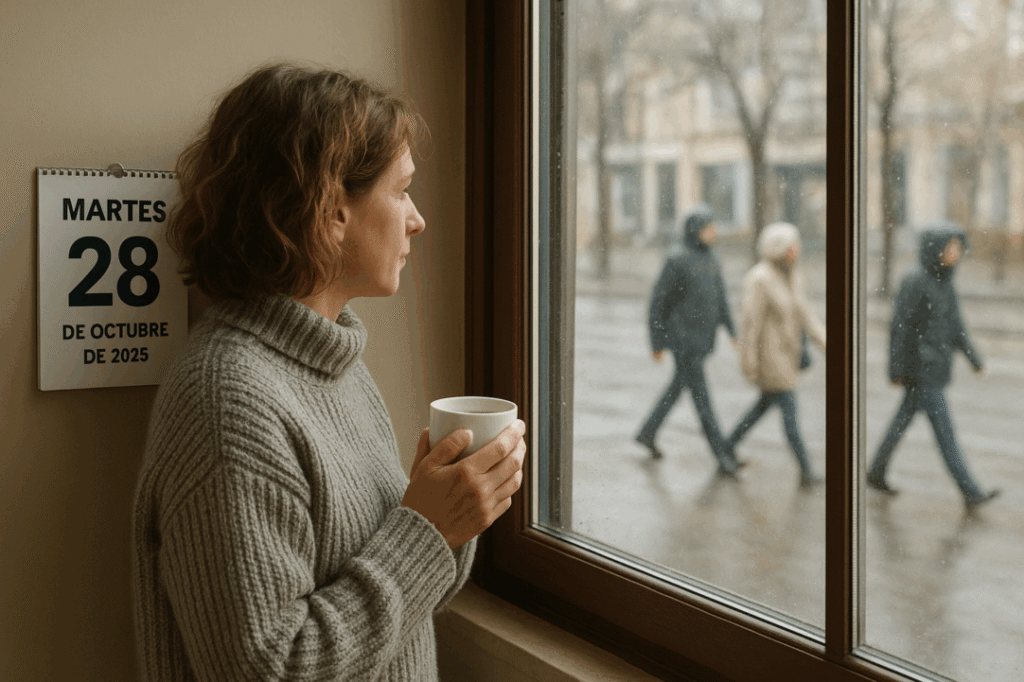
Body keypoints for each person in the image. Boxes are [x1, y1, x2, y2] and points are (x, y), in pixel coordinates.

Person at [131, 63, 527, 682]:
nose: (416, 220)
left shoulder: (334, 365)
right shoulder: (227, 402)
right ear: (329, 209)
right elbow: (271, 669)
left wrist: (451, 517)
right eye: (401, 192)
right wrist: (426, 530)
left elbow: (392, 612)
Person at [866, 223, 999, 511]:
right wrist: (896, 370)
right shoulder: (915, 282)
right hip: (921, 370)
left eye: (958, 248)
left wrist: (974, 359)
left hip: (935, 368)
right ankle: (971, 491)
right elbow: (900, 329)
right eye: (951, 248)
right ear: (935, 250)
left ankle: (875, 472)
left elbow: (956, 326)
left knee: (900, 423)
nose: (956, 253)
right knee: (945, 433)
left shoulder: (945, 282)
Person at [636, 208, 742, 475]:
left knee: (676, 390)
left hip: (703, 341)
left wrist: (732, 331)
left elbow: (720, 299)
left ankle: (647, 433)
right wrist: (657, 343)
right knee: (702, 400)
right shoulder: (677, 260)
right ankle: (723, 455)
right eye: (709, 228)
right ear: (695, 230)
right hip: (684, 343)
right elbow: (658, 304)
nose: (714, 232)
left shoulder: (712, 259)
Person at [728, 222, 826, 488]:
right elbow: (751, 324)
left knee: (762, 407)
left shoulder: (793, 275)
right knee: (789, 415)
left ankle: (727, 446)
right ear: (779, 249)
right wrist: (748, 363)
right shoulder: (760, 278)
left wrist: (826, 343)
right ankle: (806, 470)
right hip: (771, 358)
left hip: (788, 355)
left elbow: (805, 314)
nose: (798, 250)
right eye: (792, 246)